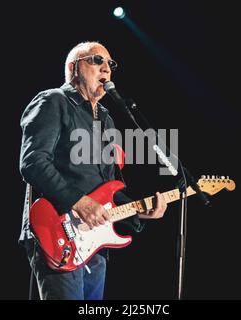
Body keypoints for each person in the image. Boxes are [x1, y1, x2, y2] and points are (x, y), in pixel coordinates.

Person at [18, 41, 167, 300]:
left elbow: (106, 185)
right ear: (73, 68)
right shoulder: (54, 100)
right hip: (57, 232)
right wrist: (79, 202)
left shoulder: (107, 120)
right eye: (97, 61)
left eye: (110, 64)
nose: (106, 69)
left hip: (94, 243)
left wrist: (140, 212)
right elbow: (32, 161)